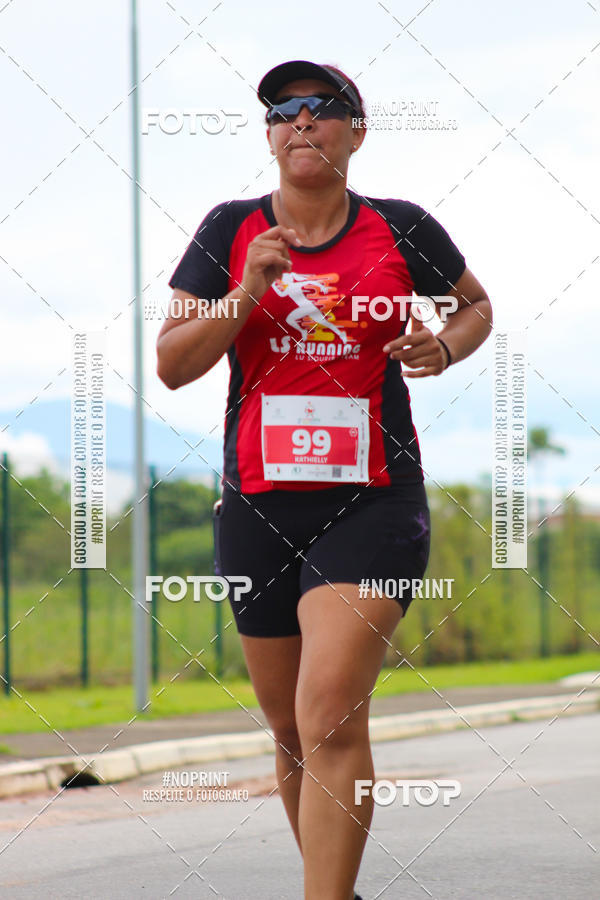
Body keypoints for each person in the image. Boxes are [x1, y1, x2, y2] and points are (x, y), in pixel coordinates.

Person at [157, 59, 492, 900]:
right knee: (289, 728)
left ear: (357, 132)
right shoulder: (229, 228)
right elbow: (172, 364)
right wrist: (247, 290)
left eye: (322, 106)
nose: (300, 120)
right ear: (270, 137)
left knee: (330, 711)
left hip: (373, 500)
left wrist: (444, 345)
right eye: (282, 111)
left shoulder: (401, 226)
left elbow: (475, 305)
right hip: (258, 506)